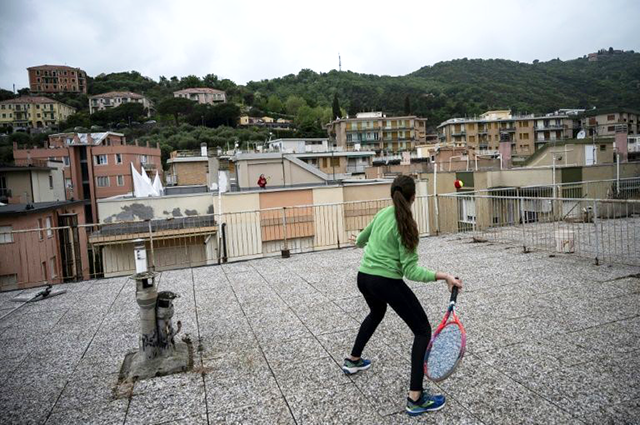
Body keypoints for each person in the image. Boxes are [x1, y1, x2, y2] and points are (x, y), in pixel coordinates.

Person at [343, 175, 462, 416]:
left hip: (363, 277)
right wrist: (444, 276)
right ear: (413, 197)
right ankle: (415, 398)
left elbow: (360, 242)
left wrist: (358, 239)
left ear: (393, 194)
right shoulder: (406, 224)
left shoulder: (381, 214)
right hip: (385, 281)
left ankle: (353, 360)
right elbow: (411, 271)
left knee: (377, 312)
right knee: (422, 330)